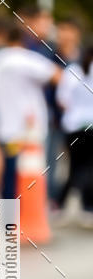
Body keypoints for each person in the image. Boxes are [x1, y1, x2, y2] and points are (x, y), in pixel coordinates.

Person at [0, 20, 61, 200]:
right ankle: (16, 220)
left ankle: (6, 219)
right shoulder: (25, 58)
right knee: (25, 179)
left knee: (9, 177)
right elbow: (58, 75)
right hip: (27, 130)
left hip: (5, 127)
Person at [55, 45, 93, 226]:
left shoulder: (73, 70)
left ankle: (60, 205)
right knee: (89, 168)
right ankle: (88, 207)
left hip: (75, 126)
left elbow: (63, 100)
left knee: (73, 167)